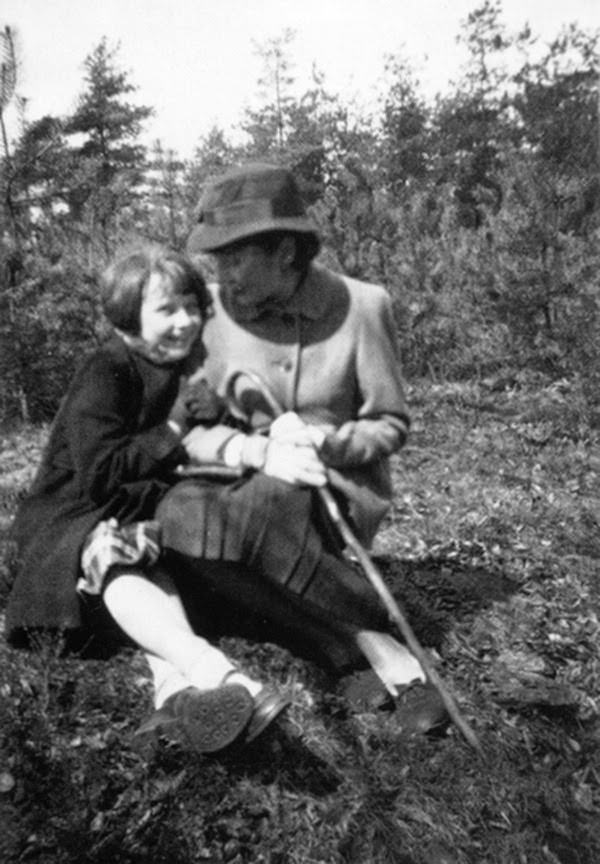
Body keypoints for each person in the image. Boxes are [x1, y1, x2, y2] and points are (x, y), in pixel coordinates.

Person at [156, 163, 448, 733]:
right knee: (175, 516)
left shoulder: (362, 307)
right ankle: (356, 644)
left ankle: (393, 658)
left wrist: (326, 440)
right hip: (235, 479)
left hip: (329, 492)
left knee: (263, 505)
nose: (223, 275)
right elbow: (188, 427)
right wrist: (250, 450)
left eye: (236, 258)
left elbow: (390, 423)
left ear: (286, 251)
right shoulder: (209, 316)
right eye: (217, 261)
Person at [5, 245, 289, 753]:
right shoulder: (107, 369)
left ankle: (174, 696)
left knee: (156, 553)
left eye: (191, 306)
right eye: (166, 310)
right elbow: (102, 477)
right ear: (128, 317)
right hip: (71, 518)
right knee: (116, 552)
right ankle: (221, 674)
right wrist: (178, 424)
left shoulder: (187, 366)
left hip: (138, 512)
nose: (184, 321)